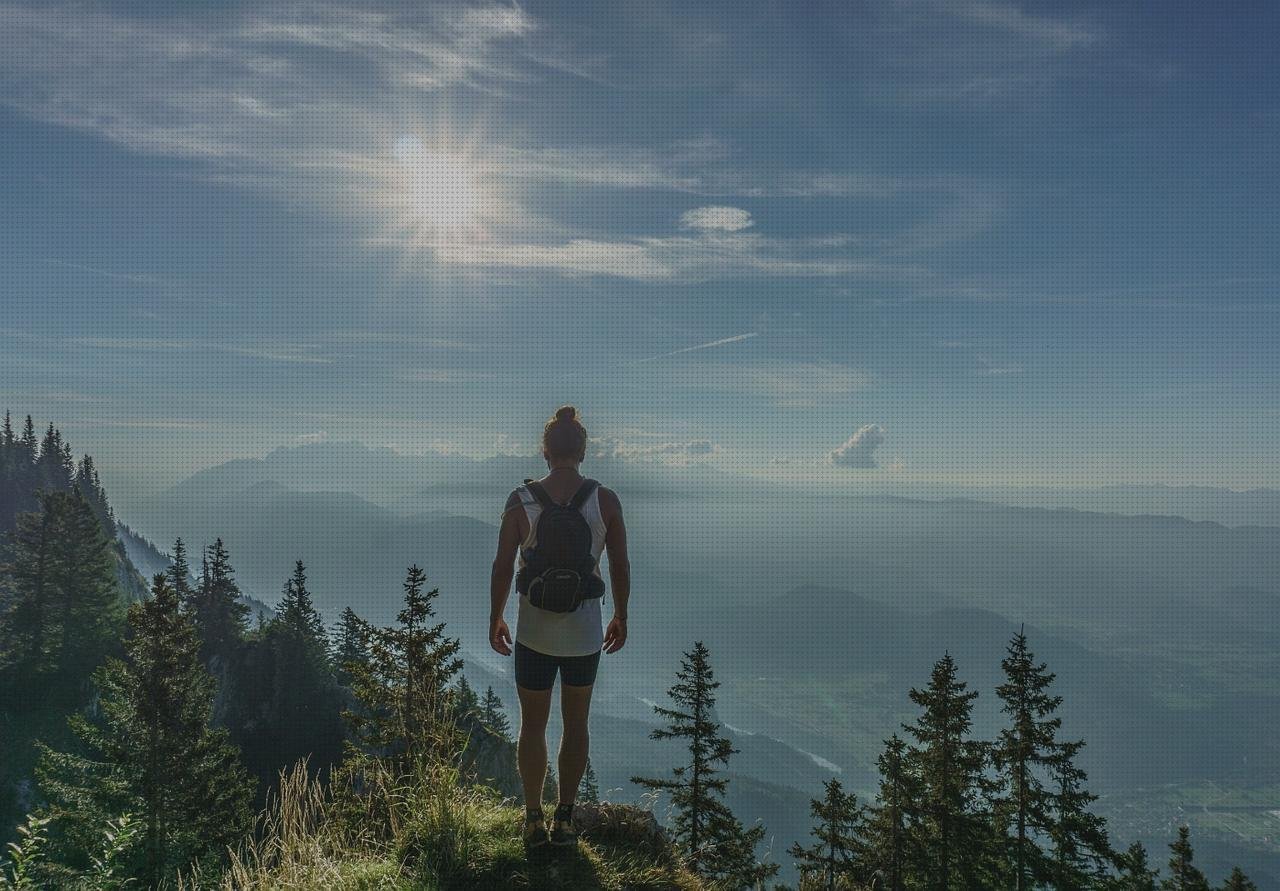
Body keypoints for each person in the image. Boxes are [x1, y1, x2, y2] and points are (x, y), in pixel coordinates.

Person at [489, 405, 630, 849]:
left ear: (545, 450)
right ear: (583, 451)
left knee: (532, 726)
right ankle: (565, 820)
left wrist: (495, 617)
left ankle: (532, 819)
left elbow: (502, 566)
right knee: (576, 724)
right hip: (584, 634)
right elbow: (620, 564)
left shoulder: (521, 500)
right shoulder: (604, 500)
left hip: (533, 633)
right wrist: (621, 614)